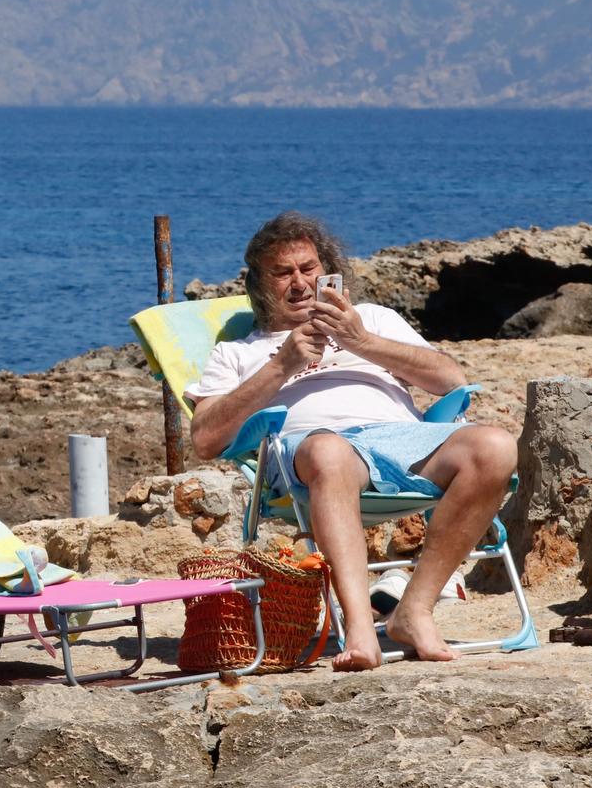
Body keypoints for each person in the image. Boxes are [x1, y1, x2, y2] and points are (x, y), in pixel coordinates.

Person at [187, 211, 516, 670]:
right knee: (329, 451)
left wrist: (360, 341)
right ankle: (361, 628)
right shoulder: (239, 351)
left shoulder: (374, 319)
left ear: (329, 270)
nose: (300, 283)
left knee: (495, 446)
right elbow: (204, 437)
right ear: (260, 285)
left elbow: (449, 378)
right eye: (283, 273)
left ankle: (414, 612)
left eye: (308, 268)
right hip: (313, 452)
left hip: (403, 443)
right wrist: (282, 366)